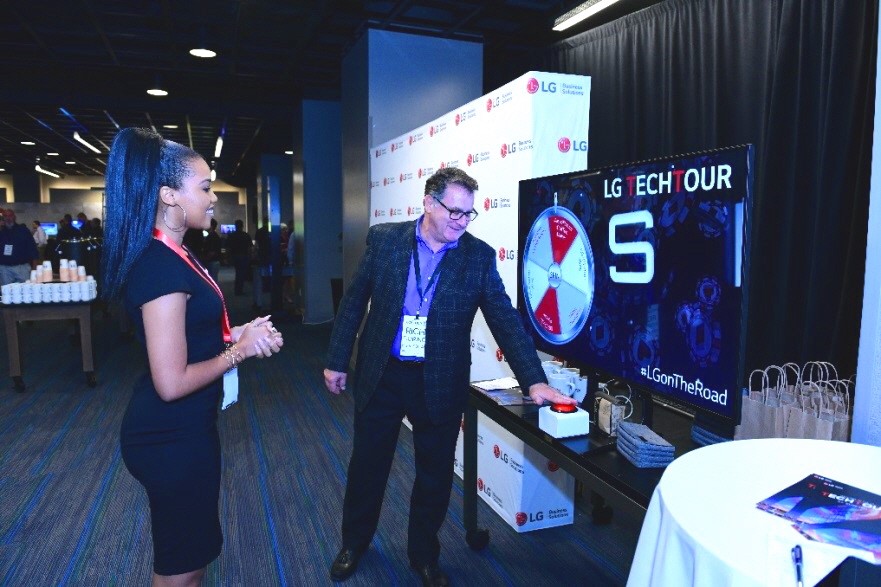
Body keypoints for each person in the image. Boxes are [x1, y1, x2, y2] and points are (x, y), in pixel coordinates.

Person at [323, 167, 575, 586]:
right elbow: (353, 302)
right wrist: (336, 359)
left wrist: (533, 379)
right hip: (382, 375)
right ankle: (354, 544)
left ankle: (423, 555)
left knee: (434, 476)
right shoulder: (385, 240)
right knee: (367, 466)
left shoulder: (476, 257)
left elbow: (505, 321)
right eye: (453, 211)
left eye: (468, 214)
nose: (461, 221)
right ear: (427, 202)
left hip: (439, 381)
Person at [101, 127, 284, 586]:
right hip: (168, 437)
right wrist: (237, 353)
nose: (212, 197)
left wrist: (239, 332)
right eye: (204, 187)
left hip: (186, 429)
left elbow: (196, 331)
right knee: (181, 567)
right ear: (169, 195)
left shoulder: (180, 254)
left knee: (192, 554)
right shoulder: (160, 266)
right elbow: (171, 381)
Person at [0, 209, 39, 285]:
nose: (8, 218)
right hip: (4, 269)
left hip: (22, 268)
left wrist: (34, 268)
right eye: (5, 216)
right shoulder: (1, 231)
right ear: (3, 218)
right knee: (7, 294)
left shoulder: (23, 230)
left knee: (25, 293)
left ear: (14, 217)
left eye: (10, 215)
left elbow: (33, 249)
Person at [225, 219, 252, 295]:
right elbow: (249, 248)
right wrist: (250, 257)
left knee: (238, 272)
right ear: (242, 226)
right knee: (241, 273)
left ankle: (238, 289)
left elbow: (228, 248)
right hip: (244, 256)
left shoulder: (231, 235)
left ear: (235, 226)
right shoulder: (246, 235)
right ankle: (239, 289)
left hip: (235, 256)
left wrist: (227, 258)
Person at [203, 218, 222, 283]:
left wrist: (205, 260)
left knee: (212, 281)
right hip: (214, 261)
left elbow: (212, 251)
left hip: (212, 262)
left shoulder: (211, 236)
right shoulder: (214, 235)